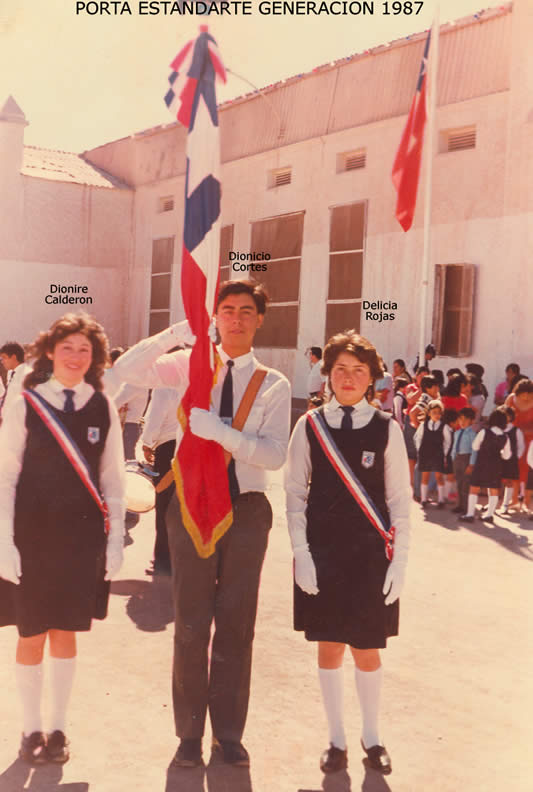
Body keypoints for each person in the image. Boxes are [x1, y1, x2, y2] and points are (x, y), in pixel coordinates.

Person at [112, 280, 291, 768]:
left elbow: (275, 455)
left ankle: (228, 734)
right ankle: (189, 734)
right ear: (215, 317)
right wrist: (177, 332)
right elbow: (127, 370)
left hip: (246, 510)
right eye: (226, 310)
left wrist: (224, 435)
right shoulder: (190, 367)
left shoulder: (274, 384)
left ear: (259, 319)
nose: (236, 319)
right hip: (190, 508)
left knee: (237, 625)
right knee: (190, 624)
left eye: (246, 311)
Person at [0, 313, 125, 765]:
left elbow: (113, 479)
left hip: (80, 540)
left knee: (66, 633)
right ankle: (30, 728)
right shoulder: (27, 404)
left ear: (95, 358)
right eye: (67, 347)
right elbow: (5, 477)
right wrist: (3, 541)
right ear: (51, 351)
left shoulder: (102, 407)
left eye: (84, 349)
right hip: (30, 538)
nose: (75, 356)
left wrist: (115, 540)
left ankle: (57, 728)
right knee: (31, 633)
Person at [285, 330, 410, 776]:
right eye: (340, 369)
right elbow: (294, 494)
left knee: (368, 649)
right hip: (323, 554)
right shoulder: (309, 425)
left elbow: (400, 501)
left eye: (359, 370)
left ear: (372, 377)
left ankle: (371, 737)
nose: (349, 378)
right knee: (329, 646)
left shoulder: (387, 428)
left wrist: (400, 560)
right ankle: (336, 739)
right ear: (328, 374)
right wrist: (301, 552)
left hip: (370, 556)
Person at [141, 385, 181, 575]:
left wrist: (147, 443)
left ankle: (164, 560)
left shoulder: (164, 387)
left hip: (168, 449)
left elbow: (154, 420)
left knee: (165, 505)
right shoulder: (199, 382)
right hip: (193, 447)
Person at [459, 407, 510, 524]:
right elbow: (507, 456)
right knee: (493, 489)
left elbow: (475, 446)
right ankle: (489, 515)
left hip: (481, 463)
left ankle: (470, 514)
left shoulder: (484, 432)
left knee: (474, 488)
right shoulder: (505, 437)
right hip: (496, 465)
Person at [414, 400, 450, 508]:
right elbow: (417, 438)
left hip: (438, 454)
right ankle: (424, 499)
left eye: (439, 413)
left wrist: (444, 453)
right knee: (425, 476)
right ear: (429, 413)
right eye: (434, 412)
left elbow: (447, 441)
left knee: (439, 476)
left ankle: (441, 500)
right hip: (425, 454)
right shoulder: (423, 425)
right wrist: (420, 450)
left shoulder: (444, 426)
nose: (437, 415)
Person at [505, 379, 533, 504]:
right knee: (512, 466)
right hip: (512, 438)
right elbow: (503, 416)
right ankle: (513, 498)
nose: (526, 397)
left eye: (529, 395)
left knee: (526, 467)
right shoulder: (511, 399)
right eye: (523, 395)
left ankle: (525, 497)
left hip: (529, 439)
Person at [113, 381, 149, 461]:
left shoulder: (133, 384)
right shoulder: (143, 384)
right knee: (127, 460)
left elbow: (114, 404)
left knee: (123, 461)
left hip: (126, 427)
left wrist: (117, 409)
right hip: (132, 427)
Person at [451, 407, 476, 515]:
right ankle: (460, 505)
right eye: (460, 419)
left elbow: (474, 450)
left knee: (466, 484)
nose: (462, 421)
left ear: (471, 421)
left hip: (467, 459)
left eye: (466, 419)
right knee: (459, 483)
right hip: (457, 459)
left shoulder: (472, 434)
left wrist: (471, 464)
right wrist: (453, 459)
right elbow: (454, 447)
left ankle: (466, 507)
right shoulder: (457, 433)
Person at [500, 406, 525, 513]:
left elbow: (521, 446)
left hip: (511, 460)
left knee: (509, 481)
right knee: (495, 481)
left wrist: (516, 457)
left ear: (511, 416)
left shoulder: (516, 430)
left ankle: (505, 504)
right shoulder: (497, 430)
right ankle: (492, 503)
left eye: (506, 415)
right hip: (497, 459)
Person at [0, 341, 31, 424]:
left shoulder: (27, 375)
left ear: (13, 357)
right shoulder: (11, 373)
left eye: (4, 358)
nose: (2, 361)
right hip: (7, 421)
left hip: (18, 422)